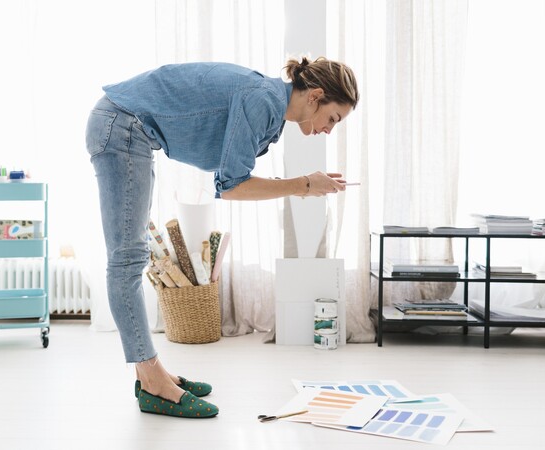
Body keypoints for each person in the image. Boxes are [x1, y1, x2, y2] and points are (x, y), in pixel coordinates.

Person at [85, 56, 359, 418]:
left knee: (129, 257)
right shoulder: (263, 100)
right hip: (122, 126)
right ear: (316, 96)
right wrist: (305, 184)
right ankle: (152, 381)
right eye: (333, 118)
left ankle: (152, 373)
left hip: (129, 129)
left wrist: (304, 186)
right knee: (127, 259)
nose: (328, 130)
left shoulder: (270, 108)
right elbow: (231, 186)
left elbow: (231, 176)